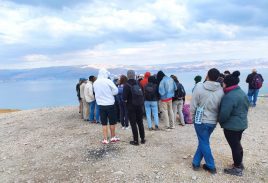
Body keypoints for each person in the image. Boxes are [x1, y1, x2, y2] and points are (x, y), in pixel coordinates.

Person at [190, 68, 224, 174]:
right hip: (213, 121)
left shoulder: (199, 87)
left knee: (203, 141)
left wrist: (192, 117)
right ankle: (195, 163)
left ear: (207, 75)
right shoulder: (221, 90)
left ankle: (211, 165)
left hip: (200, 120)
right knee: (203, 141)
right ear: (218, 77)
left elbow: (193, 105)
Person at [219, 71, 249, 176]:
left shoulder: (229, 96)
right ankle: (239, 164)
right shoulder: (240, 92)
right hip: (241, 123)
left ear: (227, 84)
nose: (222, 84)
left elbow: (224, 114)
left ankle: (237, 168)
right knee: (237, 144)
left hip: (232, 126)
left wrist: (220, 121)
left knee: (235, 146)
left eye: (223, 83)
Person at [93, 69, 119, 144]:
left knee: (104, 123)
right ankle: (113, 137)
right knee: (112, 122)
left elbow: (95, 92)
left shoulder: (95, 82)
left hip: (101, 104)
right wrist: (110, 94)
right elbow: (116, 90)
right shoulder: (108, 81)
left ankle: (105, 139)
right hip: (110, 104)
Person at [123, 70, 146, 145]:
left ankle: (136, 141)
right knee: (140, 123)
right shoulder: (138, 83)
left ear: (128, 76)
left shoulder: (126, 85)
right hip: (139, 106)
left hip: (131, 107)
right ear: (134, 75)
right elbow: (142, 93)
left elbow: (124, 97)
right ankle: (143, 139)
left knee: (133, 124)